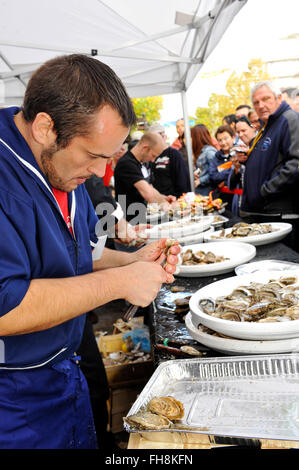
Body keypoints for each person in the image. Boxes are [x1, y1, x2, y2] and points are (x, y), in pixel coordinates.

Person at [0, 54, 180, 449]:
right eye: (94, 156)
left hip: (66, 370)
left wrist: (130, 261)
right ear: (46, 127)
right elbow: (5, 307)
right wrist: (120, 282)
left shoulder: (60, 164)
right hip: (12, 400)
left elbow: (77, 253)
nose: (100, 174)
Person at [240, 80, 299, 251]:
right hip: (265, 213)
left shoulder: (289, 119)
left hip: (281, 214)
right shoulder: (268, 125)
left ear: (279, 98)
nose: (261, 105)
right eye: (256, 102)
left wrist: (266, 190)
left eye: (266, 99)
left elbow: (295, 164)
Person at [114, 132, 176, 223]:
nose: (153, 160)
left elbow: (150, 187)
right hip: (129, 220)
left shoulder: (143, 163)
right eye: (153, 155)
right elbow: (147, 192)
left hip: (141, 217)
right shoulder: (127, 163)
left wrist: (164, 198)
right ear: (144, 148)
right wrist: (164, 204)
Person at [148, 123, 191, 198]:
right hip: (157, 200)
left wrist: (180, 198)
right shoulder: (151, 155)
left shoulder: (173, 153)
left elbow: (182, 179)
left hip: (173, 199)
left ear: (163, 136)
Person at [227, 116, 257, 215]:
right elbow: (231, 185)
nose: (241, 135)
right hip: (243, 205)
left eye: (244, 130)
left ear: (253, 128)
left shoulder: (261, 147)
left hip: (259, 205)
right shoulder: (239, 151)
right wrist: (236, 167)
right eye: (238, 132)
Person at [209, 125, 236, 210]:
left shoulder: (239, 154)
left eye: (226, 138)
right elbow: (213, 176)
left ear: (233, 137)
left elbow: (238, 172)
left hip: (236, 198)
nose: (223, 142)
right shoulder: (216, 157)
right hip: (220, 198)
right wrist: (230, 171)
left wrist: (223, 181)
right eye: (220, 140)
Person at [191, 124, 217, 196]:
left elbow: (215, 172)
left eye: (192, 137)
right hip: (201, 191)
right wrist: (197, 173)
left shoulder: (209, 152)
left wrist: (200, 181)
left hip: (208, 192)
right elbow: (203, 169)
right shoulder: (201, 152)